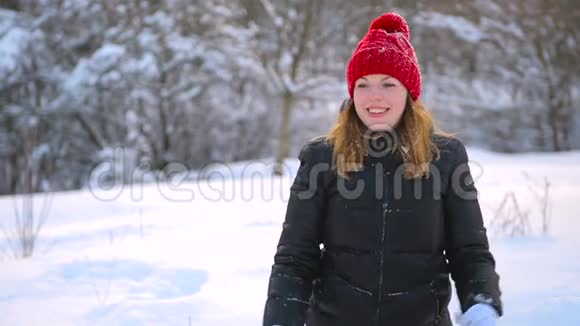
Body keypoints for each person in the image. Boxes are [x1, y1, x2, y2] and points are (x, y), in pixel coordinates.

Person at [263, 12, 502, 326]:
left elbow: (469, 251)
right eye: (363, 84)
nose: (374, 96)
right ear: (352, 93)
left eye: (388, 83)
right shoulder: (322, 157)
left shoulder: (446, 157)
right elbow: (294, 259)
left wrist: (481, 304)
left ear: (408, 92)